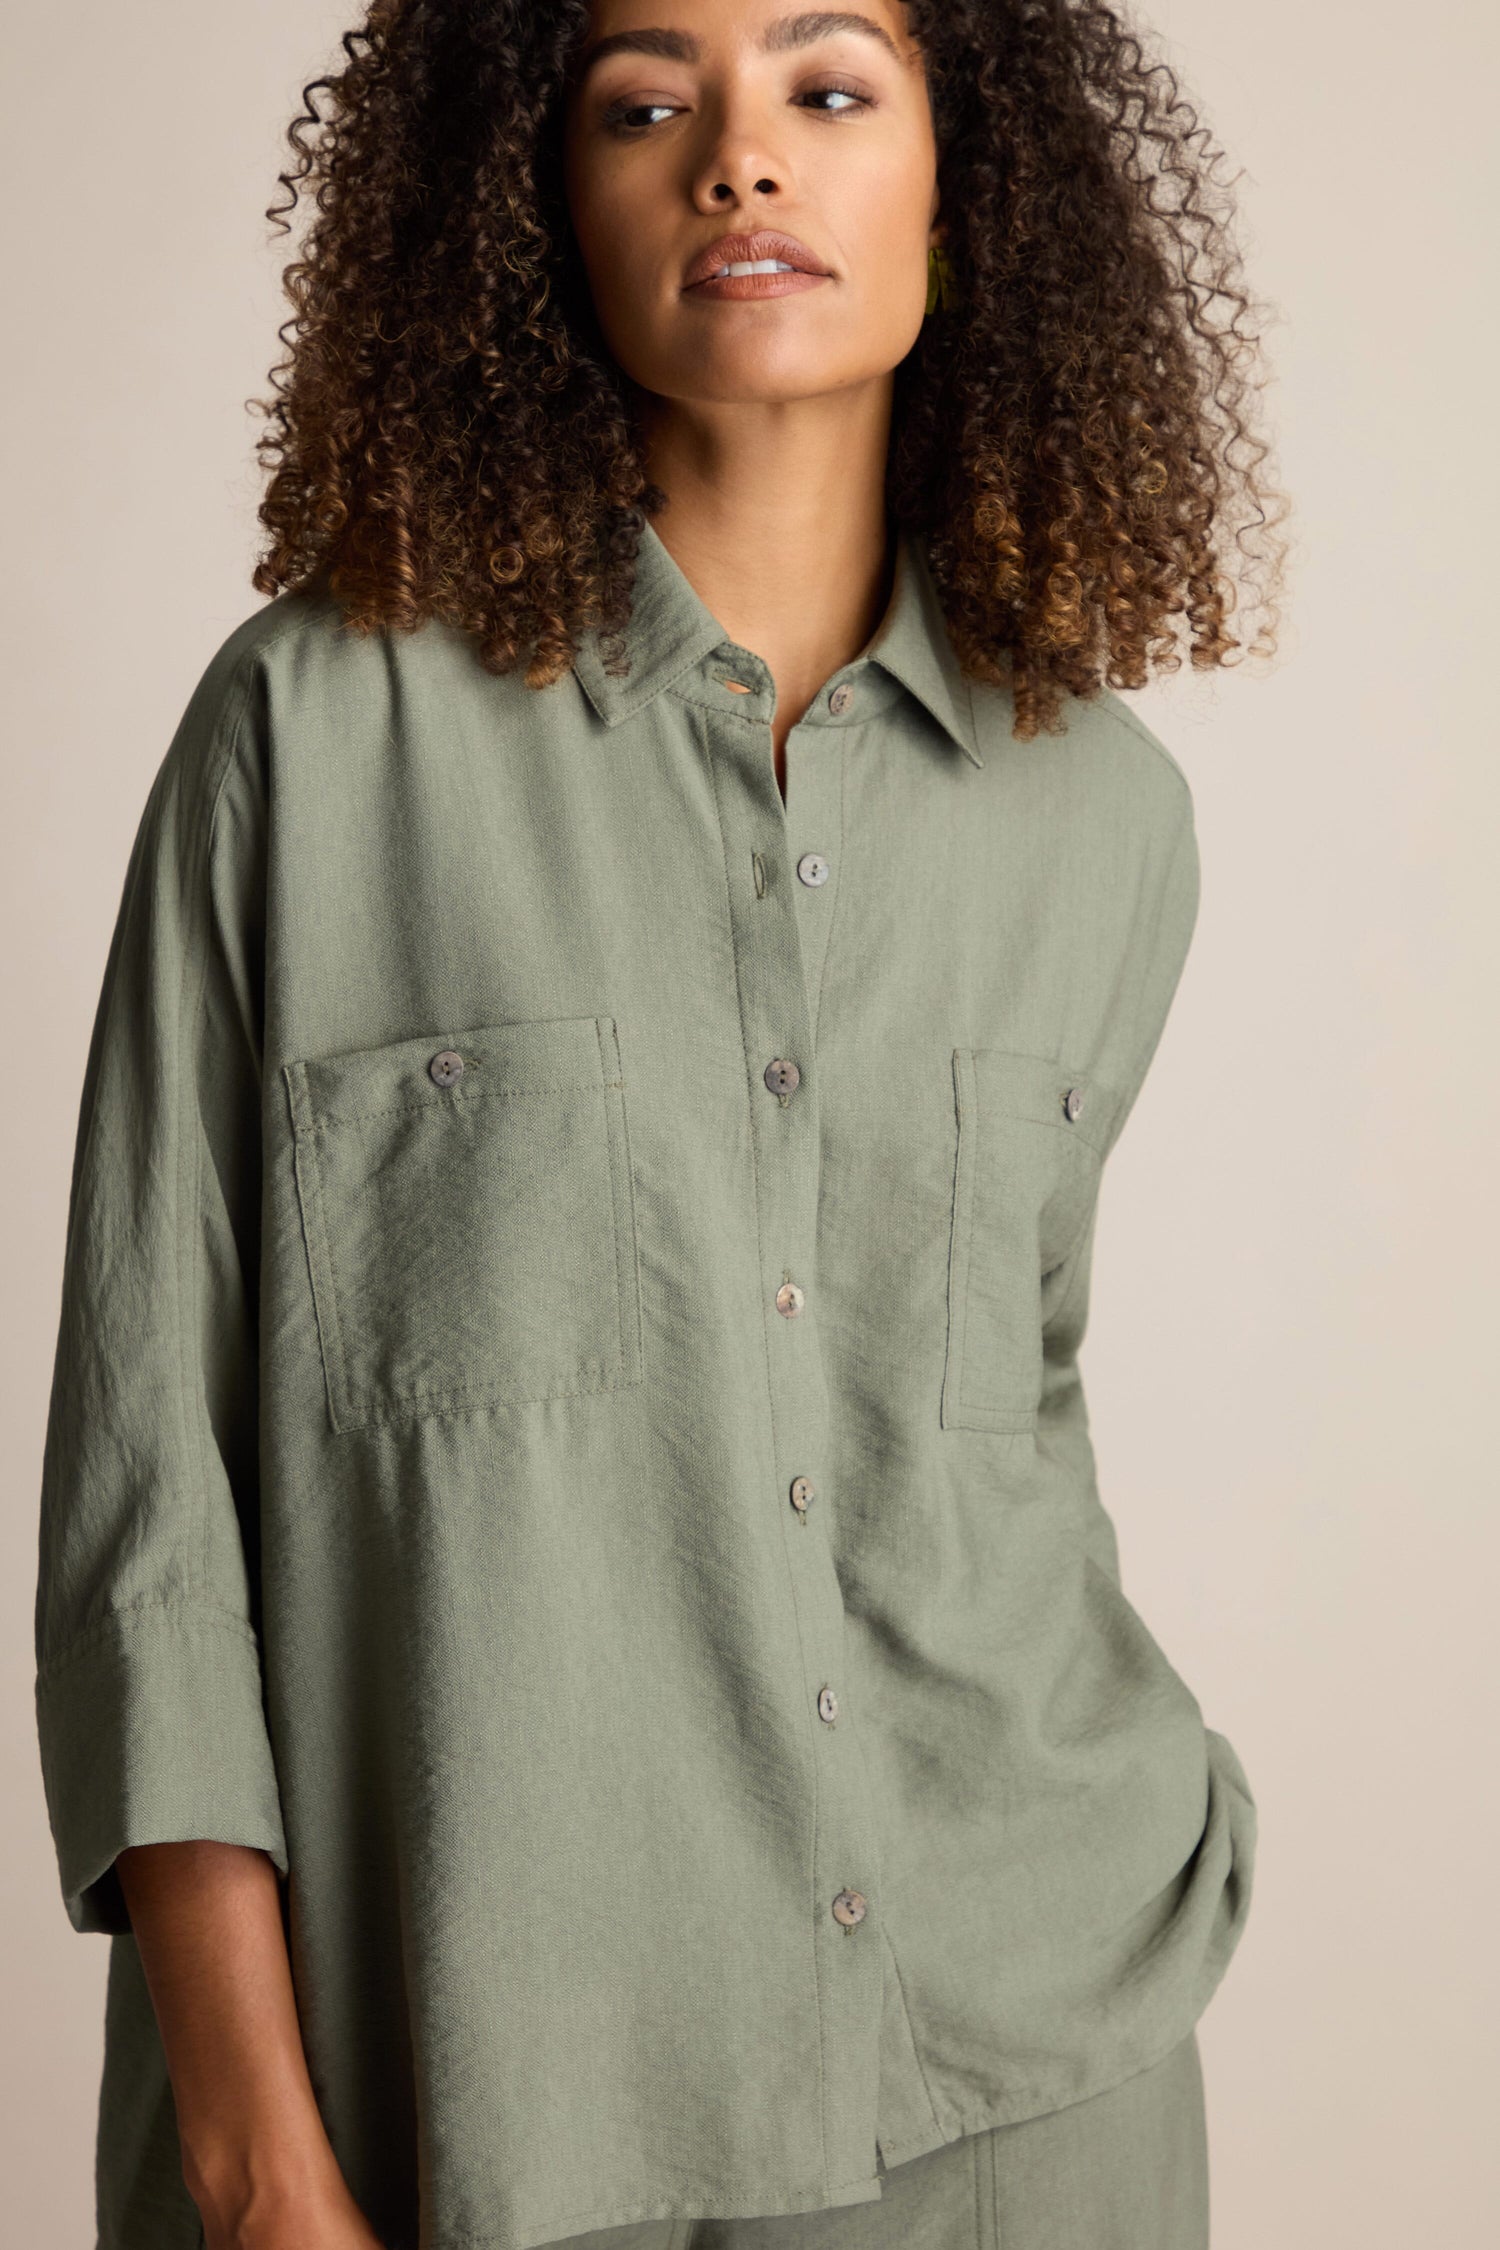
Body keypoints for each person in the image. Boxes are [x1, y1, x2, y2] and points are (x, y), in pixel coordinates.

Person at [32, 3, 1282, 2246]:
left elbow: (1007, 1413)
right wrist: (246, 2153)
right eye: (642, 104)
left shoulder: (1104, 815)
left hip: (1021, 2082)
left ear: (962, 176)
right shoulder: (315, 739)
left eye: (827, 89)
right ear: (538, 206)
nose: (738, 162)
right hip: (486, 2099)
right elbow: (153, 1504)